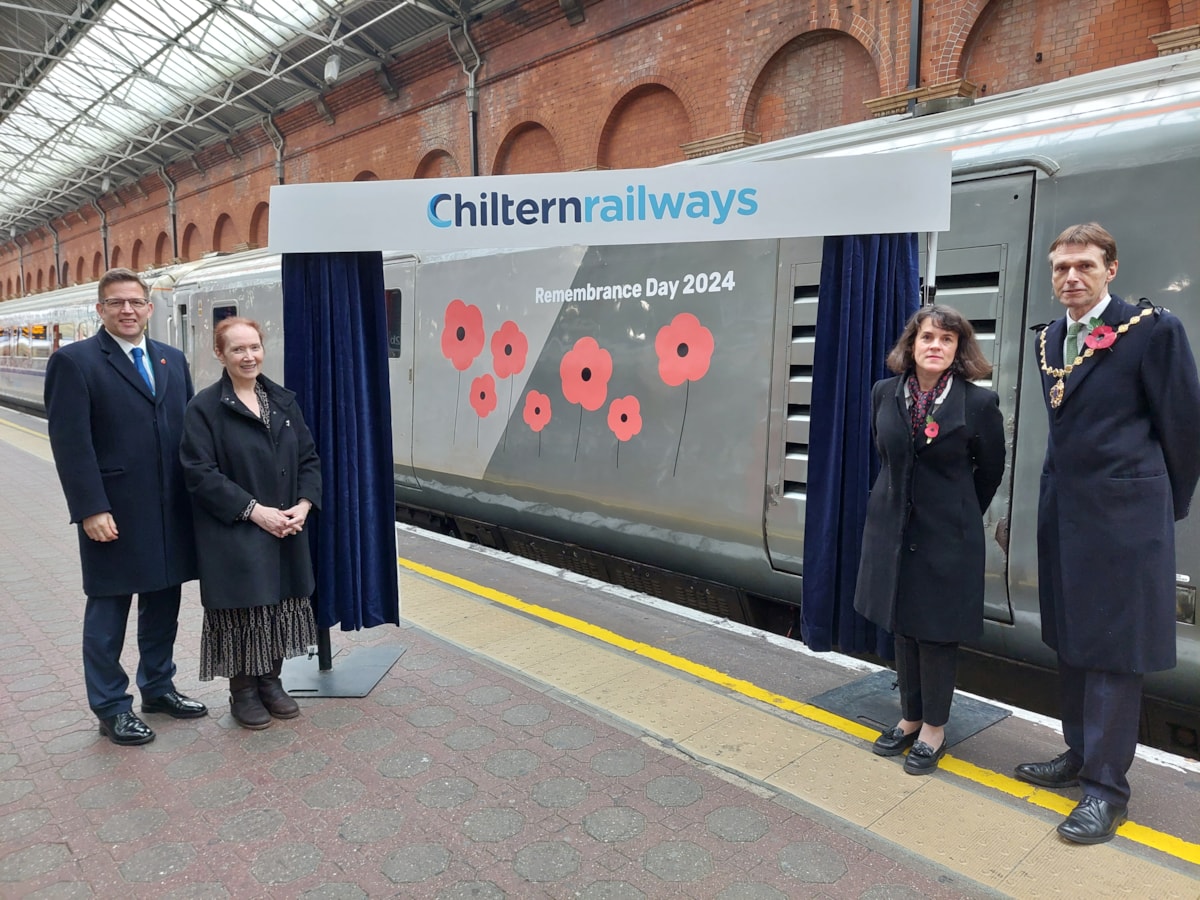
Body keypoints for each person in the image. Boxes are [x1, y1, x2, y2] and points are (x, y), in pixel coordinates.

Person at [1016, 223, 1200, 843]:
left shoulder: (1151, 330)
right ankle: (1079, 755)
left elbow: (1183, 427)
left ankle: (1107, 791)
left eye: (1085, 266)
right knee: (1072, 638)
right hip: (1065, 513)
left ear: (1111, 269)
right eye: (1061, 267)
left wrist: (1159, 510)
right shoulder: (1048, 339)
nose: (1071, 277)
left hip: (1127, 520)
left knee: (1116, 652)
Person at [44, 268, 207, 746]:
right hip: (113, 511)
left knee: (164, 603)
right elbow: (71, 444)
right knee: (108, 611)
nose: (128, 310)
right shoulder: (75, 363)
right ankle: (111, 706)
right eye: (116, 303)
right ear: (100, 310)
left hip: (169, 508)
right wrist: (90, 508)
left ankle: (158, 687)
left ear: (150, 308)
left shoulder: (171, 360)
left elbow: (189, 434)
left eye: (136, 302)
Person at [853, 305, 1006, 775]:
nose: (935, 346)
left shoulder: (979, 404)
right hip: (892, 531)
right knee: (903, 625)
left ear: (959, 350)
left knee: (937, 633)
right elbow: (884, 455)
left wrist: (956, 514)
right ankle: (909, 717)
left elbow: (991, 470)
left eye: (947, 340)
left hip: (947, 537)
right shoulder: (884, 393)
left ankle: (935, 730)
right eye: (927, 338)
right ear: (911, 345)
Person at [179, 317, 321, 729]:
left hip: (286, 525)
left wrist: (305, 504)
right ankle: (243, 691)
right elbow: (198, 473)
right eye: (238, 349)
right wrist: (254, 511)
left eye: (254, 347)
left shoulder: (282, 402)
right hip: (235, 529)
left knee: (277, 606)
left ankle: (271, 682)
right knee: (243, 612)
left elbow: (308, 458)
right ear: (219, 354)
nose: (249, 356)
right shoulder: (204, 408)